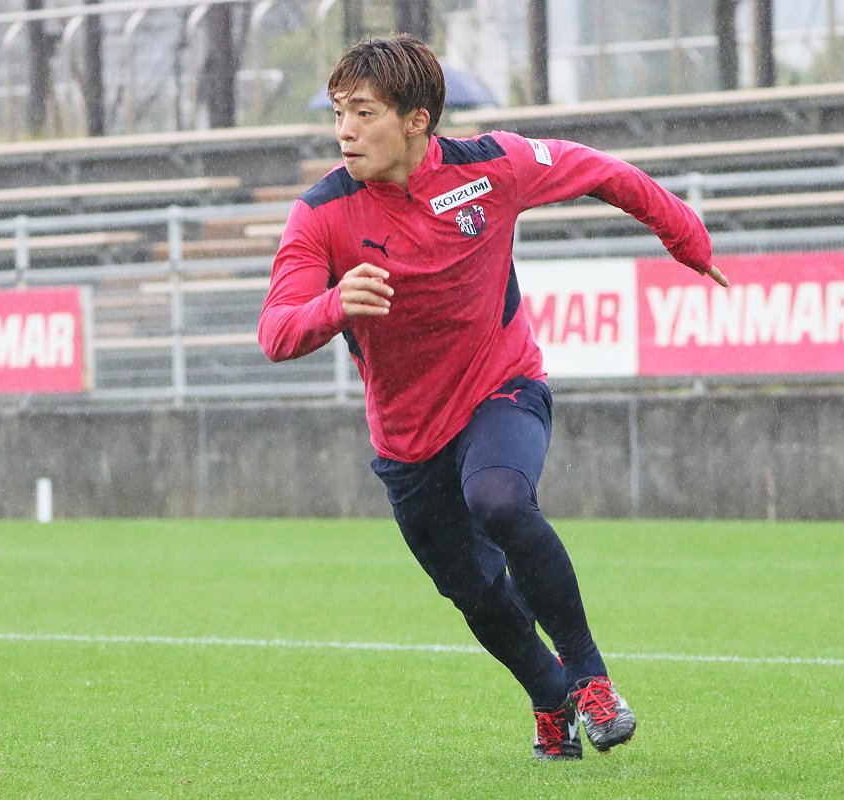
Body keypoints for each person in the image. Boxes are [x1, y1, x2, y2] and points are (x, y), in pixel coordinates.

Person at [259, 35, 725, 761]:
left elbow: (602, 171)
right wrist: (333, 305)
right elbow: (276, 331)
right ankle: (550, 696)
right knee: (475, 591)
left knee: (500, 499)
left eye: (363, 113)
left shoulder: (491, 166)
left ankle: (592, 680)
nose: (345, 131)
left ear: (417, 120)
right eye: (339, 113)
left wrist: (687, 239)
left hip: (501, 386)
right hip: (407, 440)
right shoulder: (321, 213)